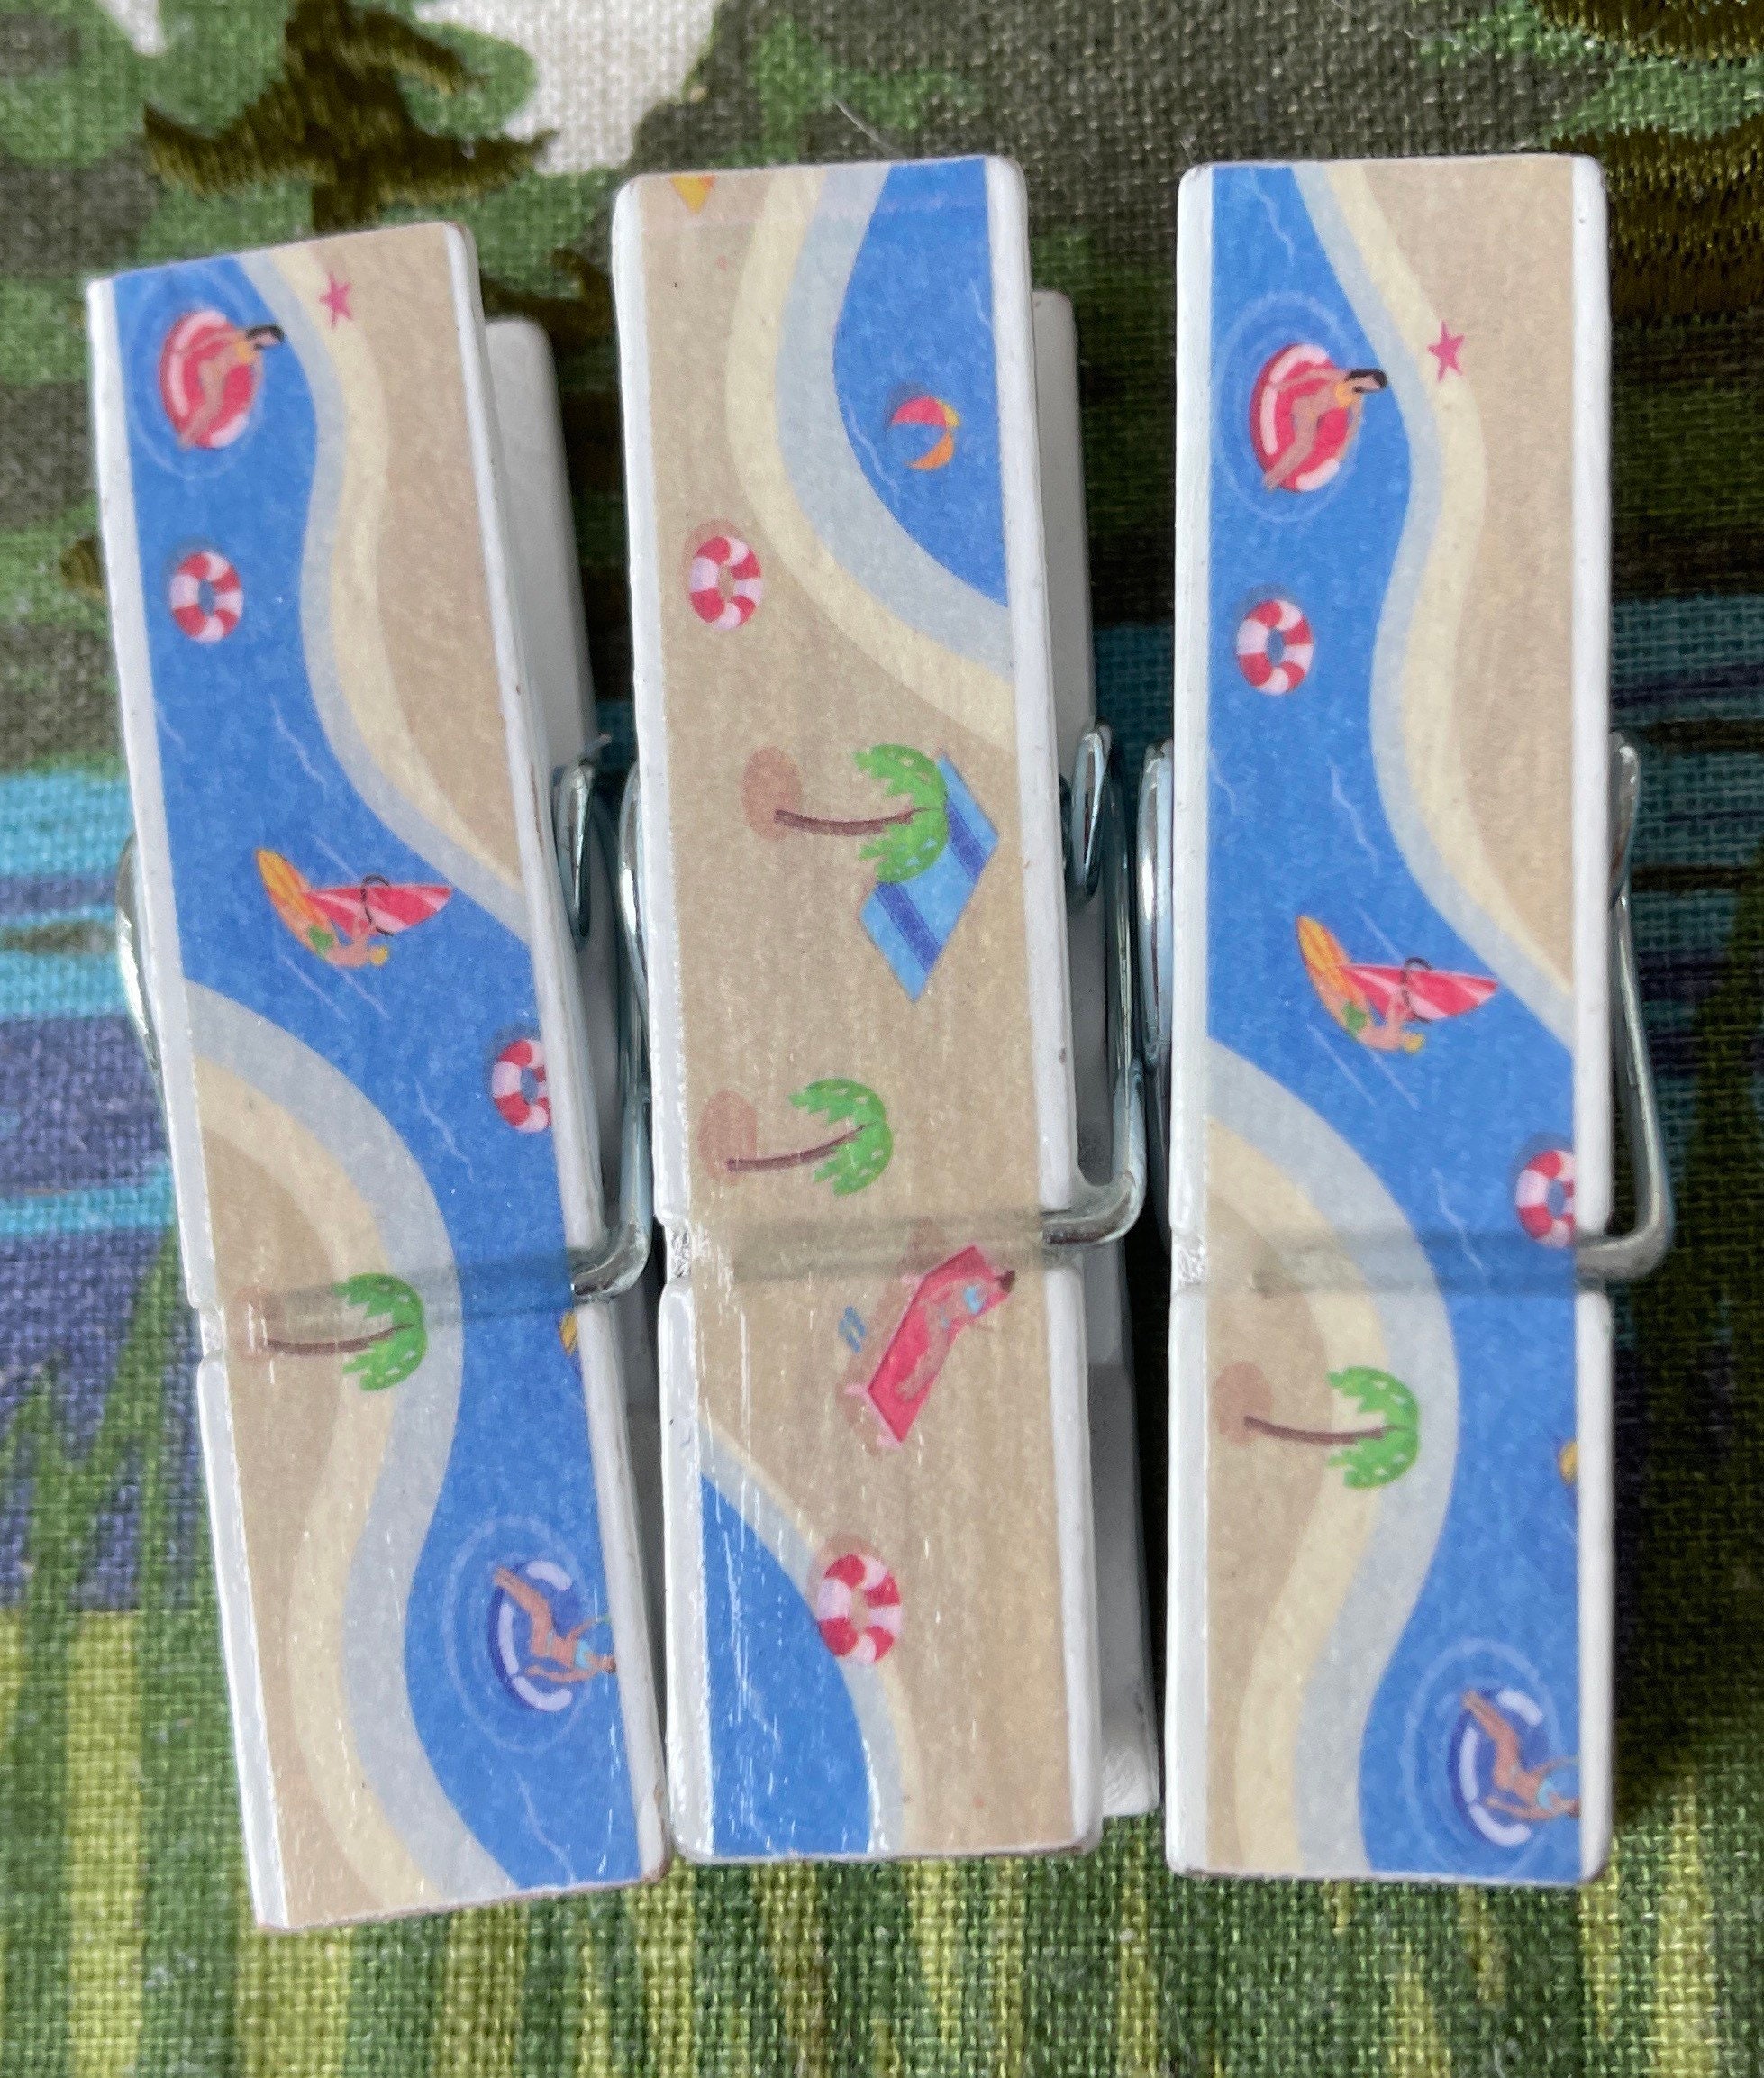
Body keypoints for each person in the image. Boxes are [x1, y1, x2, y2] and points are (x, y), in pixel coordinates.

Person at [1262, 360, 1386, 493]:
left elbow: (1355, 424)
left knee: (1306, 448)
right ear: (1368, 376)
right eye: (1371, 383)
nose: (1370, 387)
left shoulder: (1357, 398)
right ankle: (1274, 475)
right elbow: (1314, 374)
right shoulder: (1344, 377)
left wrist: (1344, 448)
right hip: (1305, 406)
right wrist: (1285, 385)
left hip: (1312, 417)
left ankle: (1278, 476)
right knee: (1302, 445)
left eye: (1373, 388)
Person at [1461, 1691, 1579, 1825]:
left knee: (1505, 1737)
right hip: (1514, 1770)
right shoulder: (1556, 1797)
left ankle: (1473, 1706)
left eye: (1577, 1801)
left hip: (1507, 1776)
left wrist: (1497, 1804)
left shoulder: (1550, 1812)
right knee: (1509, 1734)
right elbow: (1535, 1775)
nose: (1576, 1798)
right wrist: (1561, 1762)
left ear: (1574, 1808)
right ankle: (1475, 1703)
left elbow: (1524, 1813)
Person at [493, 1566, 616, 1686]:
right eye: (609, 1657)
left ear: (606, 1669)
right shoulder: (591, 1653)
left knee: (538, 1609)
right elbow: (573, 1634)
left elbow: (563, 1677)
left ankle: (503, 1581)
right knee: (541, 1604)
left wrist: (540, 1671)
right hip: (550, 1637)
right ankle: (506, 1577)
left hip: (544, 1644)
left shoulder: (589, 1672)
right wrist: (597, 1620)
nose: (607, 1657)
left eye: (609, 1661)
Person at [177, 320, 284, 448]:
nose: (268, 342)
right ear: (265, 331)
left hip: (220, 378)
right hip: (211, 368)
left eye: (272, 343)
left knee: (215, 409)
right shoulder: (243, 335)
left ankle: (193, 436)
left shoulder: (257, 355)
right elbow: (216, 337)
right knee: (211, 405)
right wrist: (190, 349)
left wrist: (251, 400)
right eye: (270, 339)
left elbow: (259, 376)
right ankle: (187, 435)